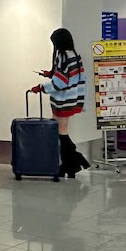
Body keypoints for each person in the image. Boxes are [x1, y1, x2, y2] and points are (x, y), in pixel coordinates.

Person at [32, 27, 89, 178]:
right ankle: (70, 165)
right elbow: (71, 77)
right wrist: (51, 74)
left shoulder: (63, 56)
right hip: (72, 98)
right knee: (60, 130)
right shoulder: (75, 55)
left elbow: (60, 82)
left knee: (60, 131)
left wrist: (41, 87)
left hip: (62, 100)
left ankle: (74, 162)